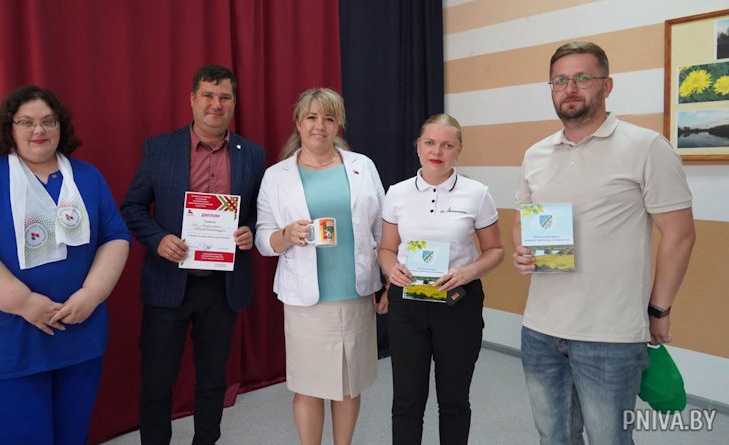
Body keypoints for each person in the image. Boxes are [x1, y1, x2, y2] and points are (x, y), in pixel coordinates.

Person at [512, 41, 696, 444]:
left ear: (607, 85)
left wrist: (659, 309)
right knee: (553, 437)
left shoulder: (646, 147)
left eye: (582, 78)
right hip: (541, 329)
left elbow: (680, 234)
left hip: (610, 335)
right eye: (560, 80)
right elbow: (522, 220)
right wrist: (522, 249)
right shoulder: (536, 154)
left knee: (609, 439)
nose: (570, 88)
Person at [0, 85, 131, 444]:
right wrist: (24, 302)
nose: (38, 130)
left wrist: (92, 294)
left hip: (78, 333)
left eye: (48, 121)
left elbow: (115, 237)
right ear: (9, 128)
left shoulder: (87, 176)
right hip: (9, 338)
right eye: (26, 122)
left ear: (61, 126)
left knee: (71, 434)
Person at [120, 64, 265, 445]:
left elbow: (259, 213)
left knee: (213, 379)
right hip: (168, 282)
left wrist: (251, 231)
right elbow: (132, 207)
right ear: (192, 99)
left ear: (234, 102)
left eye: (225, 97)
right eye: (208, 95)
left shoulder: (252, 154)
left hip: (222, 286)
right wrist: (158, 239)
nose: (216, 104)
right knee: (157, 379)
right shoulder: (159, 148)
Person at [255, 88, 385, 445]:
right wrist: (285, 235)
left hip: (356, 293)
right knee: (308, 388)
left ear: (338, 124)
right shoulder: (276, 176)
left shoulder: (362, 166)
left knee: (350, 385)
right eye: (312, 117)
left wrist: (388, 281)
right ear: (298, 122)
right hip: (305, 301)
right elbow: (263, 239)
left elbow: (382, 228)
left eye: (329, 118)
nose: (320, 126)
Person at [377, 113, 504, 444]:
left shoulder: (477, 194)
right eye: (430, 143)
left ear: (459, 149)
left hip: (458, 305)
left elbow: (495, 250)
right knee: (406, 401)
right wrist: (391, 269)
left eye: (447, 145)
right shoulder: (397, 193)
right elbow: (386, 249)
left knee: (454, 401)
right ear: (418, 145)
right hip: (407, 305)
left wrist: (467, 272)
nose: (437, 151)